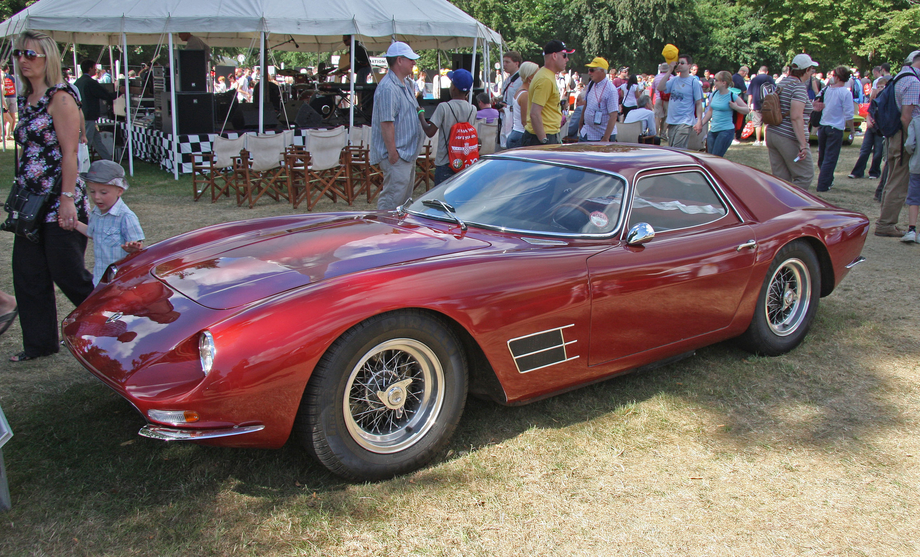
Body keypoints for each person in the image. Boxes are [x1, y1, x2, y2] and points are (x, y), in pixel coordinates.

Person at [9, 30, 94, 362]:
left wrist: (67, 198)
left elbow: (70, 153)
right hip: (30, 201)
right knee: (28, 273)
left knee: (68, 273)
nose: (23, 60)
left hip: (58, 198)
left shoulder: (61, 98)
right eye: (19, 54)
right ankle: (40, 344)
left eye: (31, 54)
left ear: (48, 59)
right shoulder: (25, 98)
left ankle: (113, 327)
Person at [370, 41, 424, 210]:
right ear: (399, 60)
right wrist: (393, 154)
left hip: (406, 153)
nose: (413, 62)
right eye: (410, 59)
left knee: (403, 203)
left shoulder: (405, 84)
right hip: (398, 154)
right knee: (393, 200)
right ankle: (384, 226)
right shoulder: (388, 88)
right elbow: (387, 123)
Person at [71, 161, 144, 284]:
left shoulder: (126, 216)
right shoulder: (96, 212)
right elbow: (92, 233)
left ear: (119, 191)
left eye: (103, 192)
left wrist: (133, 248)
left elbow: (138, 246)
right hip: (100, 275)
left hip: (120, 278)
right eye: (92, 191)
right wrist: (75, 223)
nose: (97, 197)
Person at [875, 50, 920, 238]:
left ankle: (885, 221)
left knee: (892, 178)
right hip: (903, 136)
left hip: (894, 135)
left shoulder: (899, 77)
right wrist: (912, 140)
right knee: (899, 182)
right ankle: (886, 224)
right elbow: (906, 117)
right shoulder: (913, 82)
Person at [766, 54, 818, 190]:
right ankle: (792, 201)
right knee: (805, 175)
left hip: (773, 132)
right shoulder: (798, 87)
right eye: (811, 69)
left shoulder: (783, 83)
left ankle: (778, 201)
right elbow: (796, 116)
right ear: (806, 70)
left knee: (781, 179)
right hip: (788, 136)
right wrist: (803, 145)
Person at [418, 69, 477, 186]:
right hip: (465, 161)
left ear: (453, 88)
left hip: (446, 162)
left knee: (442, 195)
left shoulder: (444, 107)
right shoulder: (473, 109)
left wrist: (421, 115)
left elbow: (430, 132)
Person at [522, 40, 573, 146]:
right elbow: (534, 114)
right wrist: (544, 140)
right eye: (564, 55)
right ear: (554, 56)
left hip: (544, 135)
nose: (567, 59)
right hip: (542, 137)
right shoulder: (545, 79)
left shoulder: (546, 75)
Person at [815, 66, 855, 192]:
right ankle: (823, 184)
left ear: (837, 77)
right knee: (830, 158)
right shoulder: (845, 93)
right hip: (836, 127)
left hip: (823, 126)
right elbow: (849, 114)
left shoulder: (826, 90)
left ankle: (827, 180)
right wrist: (852, 129)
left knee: (823, 156)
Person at [694, 70, 750, 157]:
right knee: (709, 157)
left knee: (716, 157)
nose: (714, 82)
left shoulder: (732, 95)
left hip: (725, 131)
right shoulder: (714, 94)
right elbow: (710, 111)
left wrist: (736, 107)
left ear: (724, 83)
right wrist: (700, 124)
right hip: (713, 130)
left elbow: (747, 109)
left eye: (716, 80)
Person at [657, 54, 704, 149]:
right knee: (673, 149)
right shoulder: (674, 80)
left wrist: (699, 121)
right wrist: (669, 71)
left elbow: (699, 103)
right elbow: (660, 87)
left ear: (689, 65)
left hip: (685, 121)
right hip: (672, 121)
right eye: (678, 63)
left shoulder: (693, 82)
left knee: (677, 148)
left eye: (682, 63)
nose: (679, 65)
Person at [74, 59, 118, 161]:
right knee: (86, 142)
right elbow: (105, 95)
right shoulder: (90, 82)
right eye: (95, 68)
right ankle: (81, 163)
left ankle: (108, 160)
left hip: (82, 114)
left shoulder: (78, 82)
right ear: (90, 68)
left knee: (97, 141)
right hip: (88, 116)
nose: (96, 70)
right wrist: (119, 92)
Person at [849, 75, 889, 180]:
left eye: (882, 87)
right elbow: (869, 112)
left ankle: (874, 172)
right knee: (864, 150)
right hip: (871, 128)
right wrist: (869, 120)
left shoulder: (888, 100)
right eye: (878, 87)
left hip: (880, 129)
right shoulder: (875, 100)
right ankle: (858, 172)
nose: (880, 89)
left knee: (878, 152)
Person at [578, 56, 619, 142]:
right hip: (586, 132)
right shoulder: (591, 84)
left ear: (602, 71)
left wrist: (606, 138)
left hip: (601, 136)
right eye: (589, 70)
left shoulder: (611, 90)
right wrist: (580, 123)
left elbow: (613, 115)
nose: (589, 73)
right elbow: (586, 104)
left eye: (592, 70)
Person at [505, 61, 539, 149]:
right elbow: (525, 121)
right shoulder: (525, 95)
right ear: (530, 77)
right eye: (537, 74)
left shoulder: (520, 90)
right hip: (520, 135)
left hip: (516, 133)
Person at [900, 108, 920, 243]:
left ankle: (912, 229)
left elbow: (909, 144)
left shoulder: (916, 121)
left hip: (917, 164)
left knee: (914, 199)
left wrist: (912, 152)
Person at [747, 66, 775, 146]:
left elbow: (750, 94)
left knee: (757, 123)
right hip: (768, 103)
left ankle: (758, 140)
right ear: (767, 71)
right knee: (767, 123)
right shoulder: (770, 78)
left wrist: (749, 104)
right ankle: (765, 141)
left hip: (756, 103)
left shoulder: (754, 79)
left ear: (759, 71)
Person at [2, 64, 17, 140]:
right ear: (7, 68)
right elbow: (15, 87)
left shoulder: (2, 78)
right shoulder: (11, 77)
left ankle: (4, 132)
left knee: (4, 117)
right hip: (12, 97)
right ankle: (10, 131)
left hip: (5, 98)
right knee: (12, 115)